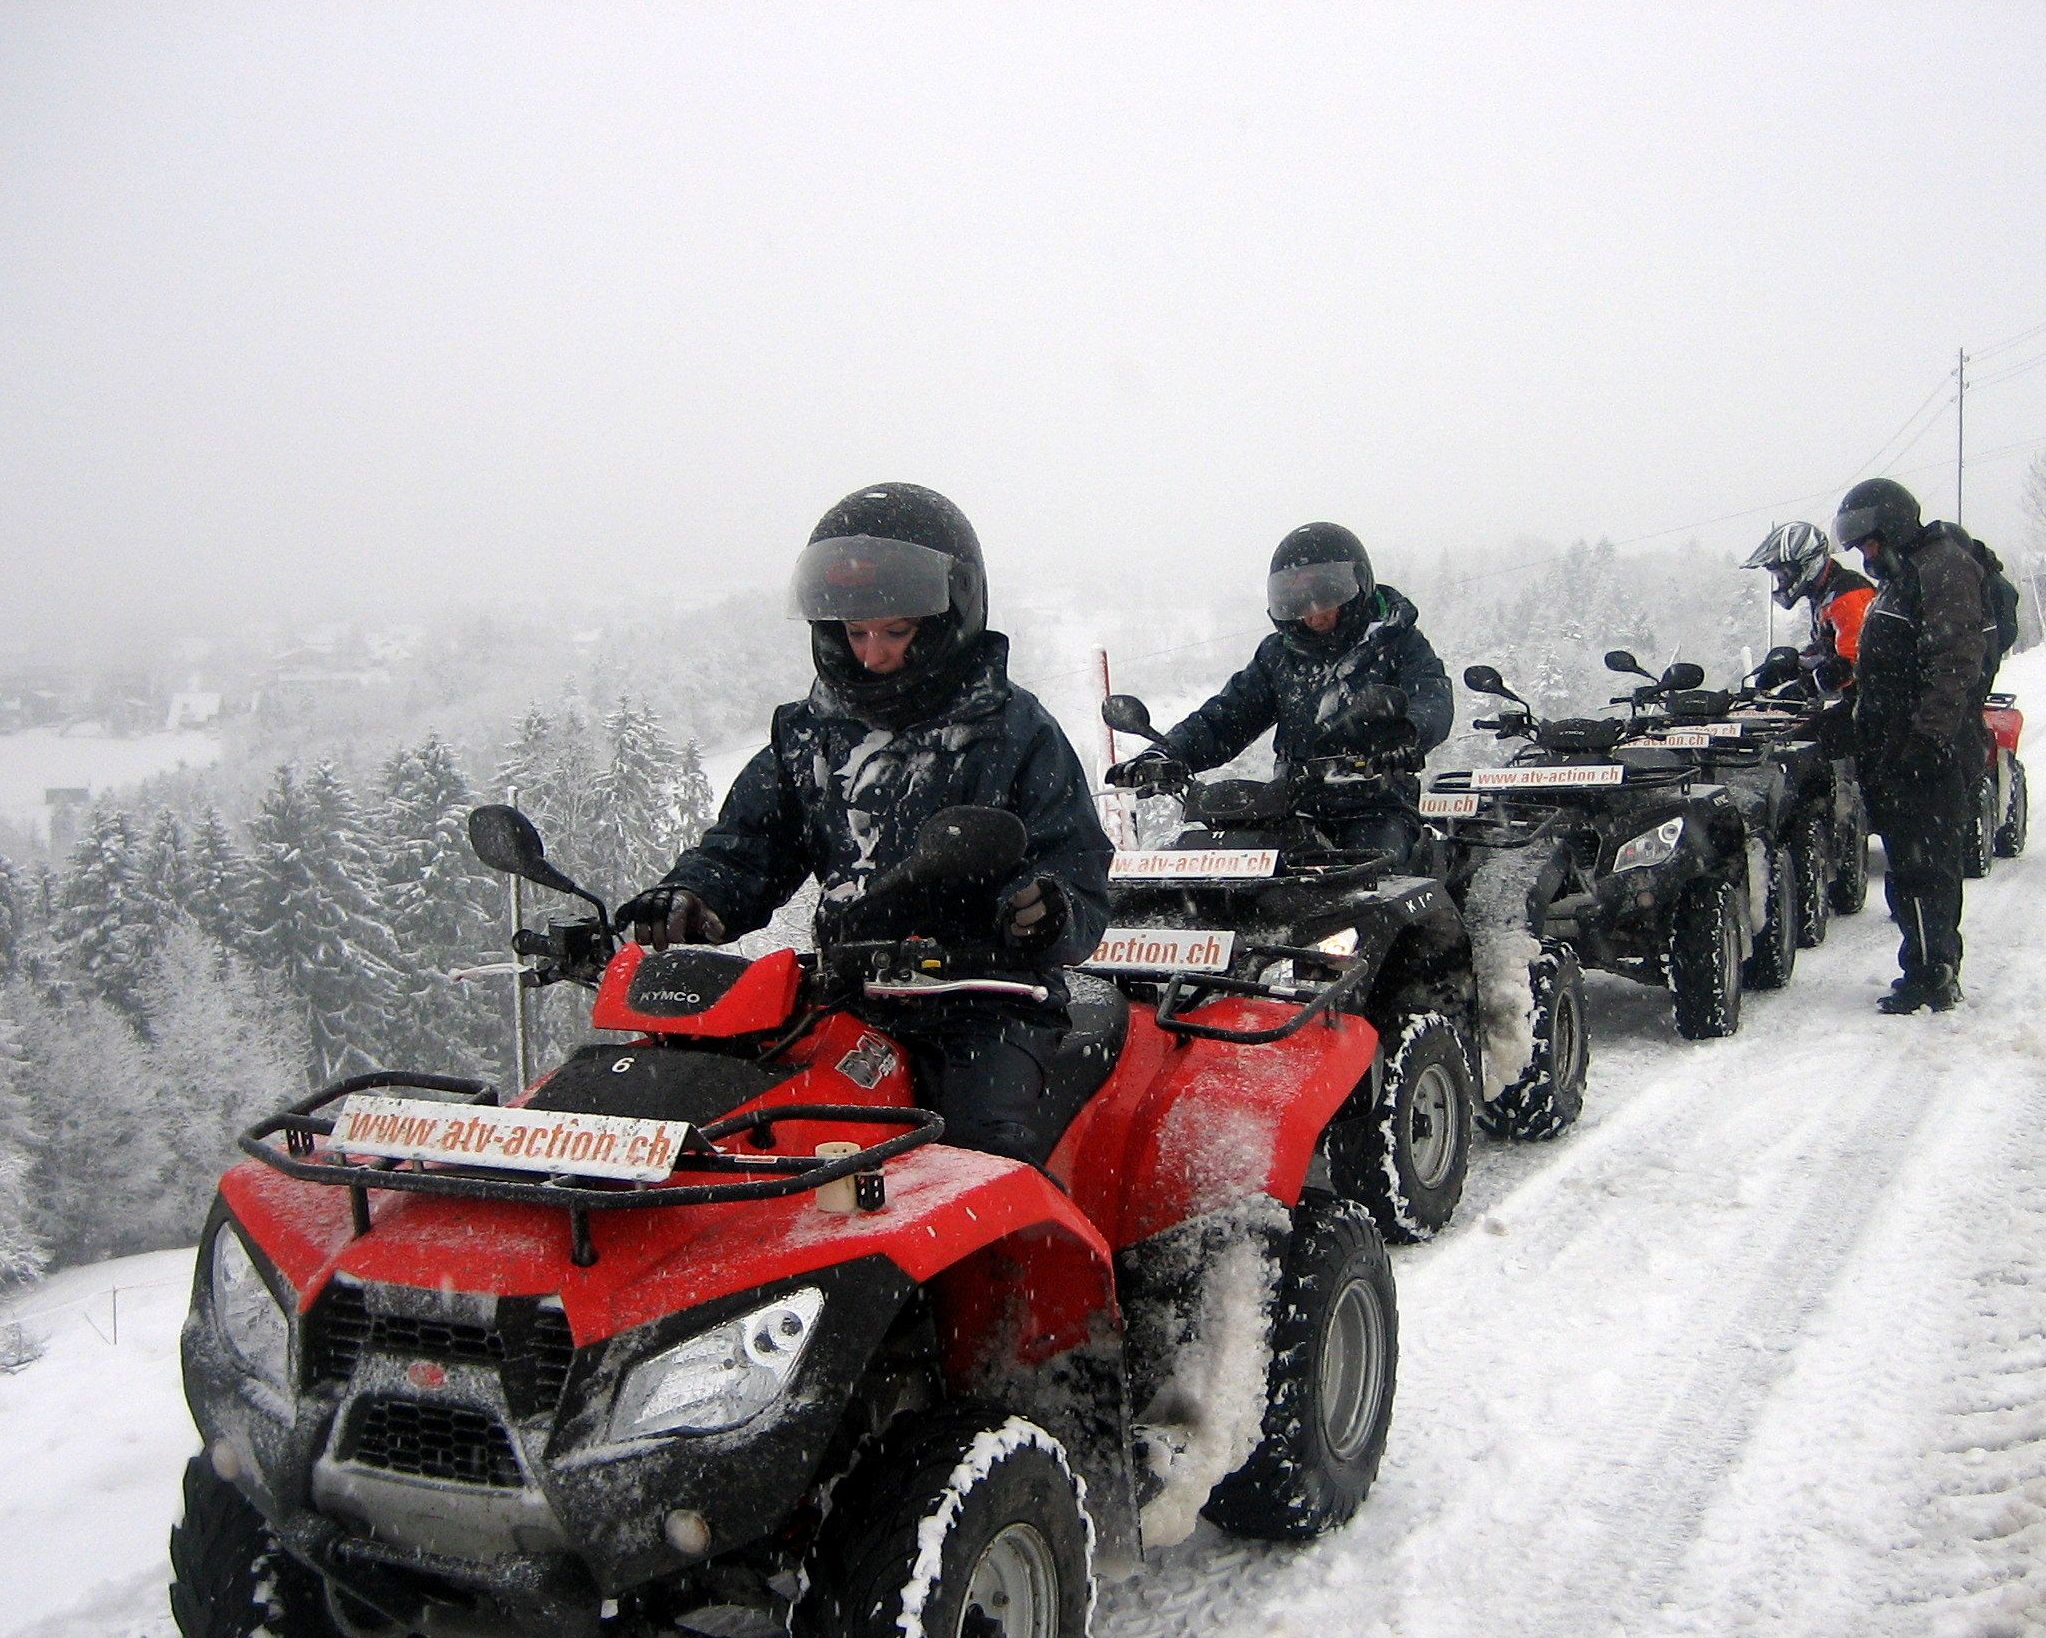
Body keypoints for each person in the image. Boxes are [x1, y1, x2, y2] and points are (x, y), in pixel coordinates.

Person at [620, 482, 1113, 1167]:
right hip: (842, 993)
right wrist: (696, 896)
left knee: (976, 1165)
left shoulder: (1014, 733)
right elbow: (748, 845)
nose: (872, 655)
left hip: (983, 1002)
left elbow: (1075, 869)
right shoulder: (809, 735)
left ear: (948, 620)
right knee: (725, 1123)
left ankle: (1007, 1271)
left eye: (895, 631)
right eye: (855, 633)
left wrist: (1041, 910)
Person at [1109, 523, 1451, 864]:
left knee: (1378, 881)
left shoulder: (1398, 642)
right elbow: (1225, 719)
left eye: (1327, 594)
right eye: (1297, 600)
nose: (1313, 612)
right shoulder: (1279, 656)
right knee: (1220, 876)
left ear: (1359, 584)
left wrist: (1406, 734)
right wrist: (1165, 754)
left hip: (1375, 806)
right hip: (1290, 807)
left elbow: (1432, 698)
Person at [1831, 477, 1990, 1014]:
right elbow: (1889, 666)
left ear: (1893, 526)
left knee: (1925, 862)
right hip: (1897, 745)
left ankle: (1933, 974)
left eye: (1869, 542)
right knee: (1907, 860)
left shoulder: (1941, 567)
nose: (1865, 555)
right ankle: (1924, 963)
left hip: (1926, 750)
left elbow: (1954, 661)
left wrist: (1928, 739)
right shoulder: (1904, 575)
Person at [1742, 521, 1872, 693]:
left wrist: (1808, 686)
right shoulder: (1823, 593)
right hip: (1859, 698)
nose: (1782, 582)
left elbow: (1856, 662)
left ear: (1808, 562)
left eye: (1784, 574)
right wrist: (1792, 665)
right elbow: (1826, 650)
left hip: (1874, 701)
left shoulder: (1848, 593)